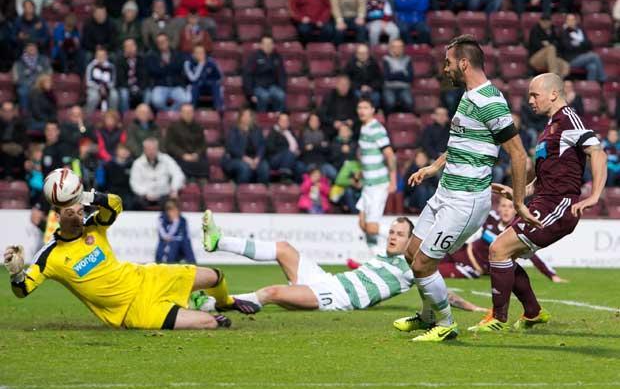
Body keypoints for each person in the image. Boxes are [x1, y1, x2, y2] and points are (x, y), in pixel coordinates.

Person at [392, 35, 539, 342]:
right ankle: (428, 316)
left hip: (465, 200)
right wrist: (433, 167)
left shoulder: (489, 101)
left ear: (463, 63)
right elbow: (461, 142)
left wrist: (521, 201)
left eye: (448, 63)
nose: (445, 69)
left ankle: (446, 325)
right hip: (444, 191)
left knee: (423, 263)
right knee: (411, 253)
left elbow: (518, 153)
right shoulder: (468, 96)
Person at [468, 73, 607, 333]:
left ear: (553, 94)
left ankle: (498, 318)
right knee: (504, 256)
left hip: (558, 206)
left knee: (499, 250)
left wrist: (595, 195)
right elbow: (543, 180)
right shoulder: (549, 127)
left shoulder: (569, 119)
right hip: (542, 201)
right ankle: (533, 313)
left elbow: (597, 152)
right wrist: (516, 193)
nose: (530, 100)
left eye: (535, 95)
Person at [2, 191, 258, 331]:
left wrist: (89, 196)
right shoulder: (50, 256)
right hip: (132, 311)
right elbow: (23, 290)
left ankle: (225, 302)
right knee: (209, 324)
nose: (79, 217)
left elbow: (115, 205)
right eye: (71, 213)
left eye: (81, 211)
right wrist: (15, 273)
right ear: (57, 216)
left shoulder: (94, 226)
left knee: (215, 276)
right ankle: (207, 311)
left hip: (146, 277)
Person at [199, 213, 485, 313]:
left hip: (336, 297)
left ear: (411, 240)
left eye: (400, 234)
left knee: (272, 293)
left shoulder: (412, 267)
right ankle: (219, 242)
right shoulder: (385, 257)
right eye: (392, 233)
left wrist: (472, 307)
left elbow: (442, 293)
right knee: (284, 248)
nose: (393, 238)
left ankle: (212, 304)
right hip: (328, 280)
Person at [440, 197, 566, 282]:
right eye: (503, 206)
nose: (506, 209)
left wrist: (552, 276)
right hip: (461, 251)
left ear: (516, 210)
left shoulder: (518, 232)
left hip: (471, 267)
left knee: (433, 272)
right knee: (425, 261)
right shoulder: (491, 218)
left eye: (510, 206)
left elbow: (533, 256)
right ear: (498, 208)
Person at [356, 98, 396, 254]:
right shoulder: (364, 128)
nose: (361, 110)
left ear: (373, 110)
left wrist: (393, 180)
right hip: (368, 184)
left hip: (378, 184)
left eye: (365, 107)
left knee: (372, 227)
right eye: (359, 107)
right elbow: (367, 155)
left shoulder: (376, 128)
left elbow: (390, 155)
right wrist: (361, 173)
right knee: (362, 224)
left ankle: (406, 237)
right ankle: (376, 259)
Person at [130, 137, 186, 209]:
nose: (151, 151)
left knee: (172, 202)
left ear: (157, 148)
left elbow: (178, 174)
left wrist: (174, 189)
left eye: (153, 148)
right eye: (149, 149)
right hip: (145, 196)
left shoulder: (166, 159)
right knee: (135, 202)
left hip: (164, 195)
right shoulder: (137, 163)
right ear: (144, 149)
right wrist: (145, 193)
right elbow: (134, 183)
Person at [221, 108, 269, 184]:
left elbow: (262, 145)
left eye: (248, 116)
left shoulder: (257, 130)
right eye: (244, 115)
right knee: (245, 167)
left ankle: (260, 191)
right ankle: (241, 190)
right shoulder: (234, 130)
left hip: (254, 159)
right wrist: (245, 158)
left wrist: (258, 158)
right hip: (235, 158)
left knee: (264, 167)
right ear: (240, 117)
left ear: (251, 118)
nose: (246, 118)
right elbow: (231, 147)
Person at [146, 33, 190, 112]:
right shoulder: (152, 55)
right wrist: (169, 66)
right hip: (160, 85)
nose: (161, 43)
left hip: (176, 85)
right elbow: (154, 71)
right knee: (156, 101)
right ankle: (168, 113)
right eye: (159, 42)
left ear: (168, 41)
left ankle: (170, 113)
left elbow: (179, 67)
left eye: (163, 41)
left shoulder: (177, 54)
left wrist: (163, 66)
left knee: (185, 100)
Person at [164, 103, 209, 180]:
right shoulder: (173, 127)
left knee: (204, 165)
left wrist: (196, 154)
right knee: (178, 166)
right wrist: (183, 155)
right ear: (181, 113)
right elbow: (169, 145)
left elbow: (203, 144)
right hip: (179, 157)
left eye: (190, 112)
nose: (188, 114)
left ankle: (202, 186)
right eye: (186, 112)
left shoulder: (199, 127)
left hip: (196, 157)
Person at [242, 35, 287, 113]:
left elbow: (282, 74)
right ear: (261, 45)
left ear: (273, 45)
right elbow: (247, 75)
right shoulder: (254, 57)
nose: (268, 46)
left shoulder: (277, 57)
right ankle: (261, 117)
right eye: (265, 44)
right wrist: (250, 93)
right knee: (264, 96)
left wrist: (282, 88)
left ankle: (278, 116)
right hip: (258, 87)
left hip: (272, 86)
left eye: (270, 44)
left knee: (281, 95)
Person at [559, 13, 606, 83]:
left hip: (584, 57)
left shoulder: (580, 31)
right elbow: (568, 47)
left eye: (572, 19)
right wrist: (582, 44)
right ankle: (602, 80)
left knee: (592, 67)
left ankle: (590, 88)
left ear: (575, 21)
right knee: (594, 56)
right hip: (571, 59)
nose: (571, 21)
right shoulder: (564, 33)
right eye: (569, 20)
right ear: (566, 21)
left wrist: (578, 44)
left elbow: (589, 44)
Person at [265, 112, 303, 183]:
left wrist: (298, 150)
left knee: (300, 166)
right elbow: (270, 147)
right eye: (282, 120)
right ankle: (284, 177)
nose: (284, 122)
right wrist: (285, 152)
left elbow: (298, 144)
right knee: (289, 153)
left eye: (286, 120)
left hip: (292, 158)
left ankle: (297, 187)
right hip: (276, 159)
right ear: (278, 122)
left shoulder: (290, 132)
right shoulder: (274, 132)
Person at [318, 73, 358, 140]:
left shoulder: (354, 97)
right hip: (333, 127)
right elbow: (322, 114)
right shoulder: (329, 97)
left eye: (346, 85)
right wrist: (333, 122)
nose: (344, 87)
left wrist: (352, 121)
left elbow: (359, 114)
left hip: (350, 127)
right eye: (342, 85)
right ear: (337, 85)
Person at [12, 41, 51, 109]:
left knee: (42, 92)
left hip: (40, 85)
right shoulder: (19, 63)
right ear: (25, 50)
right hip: (26, 85)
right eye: (29, 47)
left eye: (34, 47)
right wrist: (29, 83)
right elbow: (16, 79)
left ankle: (40, 114)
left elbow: (49, 73)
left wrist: (39, 82)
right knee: (22, 91)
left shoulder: (44, 60)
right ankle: (25, 113)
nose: (32, 48)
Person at [156, 199, 196, 264]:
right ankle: (169, 261)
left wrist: (176, 221)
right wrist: (169, 237)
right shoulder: (162, 219)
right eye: (171, 210)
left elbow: (185, 234)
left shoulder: (182, 220)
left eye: (175, 210)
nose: (174, 212)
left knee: (185, 243)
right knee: (174, 244)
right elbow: (163, 234)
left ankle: (192, 263)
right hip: (169, 241)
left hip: (180, 241)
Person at [183, 45, 223, 110]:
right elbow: (193, 79)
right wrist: (201, 64)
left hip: (209, 85)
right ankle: (192, 108)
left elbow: (219, 76)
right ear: (193, 54)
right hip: (194, 85)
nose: (200, 55)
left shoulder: (211, 61)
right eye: (197, 53)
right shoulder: (188, 63)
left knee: (216, 85)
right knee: (195, 86)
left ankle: (219, 109)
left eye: (202, 53)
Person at [345, 43, 383, 108]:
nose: (362, 55)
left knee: (376, 97)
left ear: (368, 54)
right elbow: (348, 80)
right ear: (356, 54)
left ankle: (373, 113)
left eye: (364, 53)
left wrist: (371, 87)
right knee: (356, 96)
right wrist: (360, 87)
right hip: (357, 89)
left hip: (371, 89)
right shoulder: (351, 64)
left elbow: (379, 79)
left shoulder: (374, 63)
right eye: (360, 53)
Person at [382, 38, 414, 114]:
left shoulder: (407, 59)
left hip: (404, 87)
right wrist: (402, 74)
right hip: (389, 87)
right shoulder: (386, 59)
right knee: (390, 103)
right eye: (395, 47)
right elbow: (387, 76)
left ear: (403, 48)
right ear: (391, 48)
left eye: (400, 47)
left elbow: (410, 77)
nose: (397, 49)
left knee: (409, 102)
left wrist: (394, 74)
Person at [116, 38, 148, 113]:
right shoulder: (120, 61)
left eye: (132, 46)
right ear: (124, 49)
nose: (130, 48)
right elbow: (120, 79)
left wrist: (138, 88)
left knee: (148, 93)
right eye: (127, 46)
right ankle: (126, 117)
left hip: (139, 86)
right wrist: (131, 88)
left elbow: (144, 77)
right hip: (126, 87)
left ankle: (144, 116)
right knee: (124, 94)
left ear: (136, 47)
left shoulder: (142, 59)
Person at [101, 144, 135, 209]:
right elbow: (103, 182)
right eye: (122, 149)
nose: (124, 152)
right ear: (117, 151)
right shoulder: (108, 165)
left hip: (127, 193)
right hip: (111, 192)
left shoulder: (133, 164)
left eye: (127, 150)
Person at [85, 48, 119, 112]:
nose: (101, 57)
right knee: (93, 97)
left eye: (103, 55)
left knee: (114, 96)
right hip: (94, 88)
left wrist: (106, 88)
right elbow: (88, 82)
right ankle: (88, 117)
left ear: (106, 56)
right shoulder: (91, 66)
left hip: (108, 88)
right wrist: (99, 88)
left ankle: (112, 116)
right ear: (96, 56)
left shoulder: (111, 67)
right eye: (99, 55)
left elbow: (113, 81)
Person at [0, 101, 27, 180]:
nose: (7, 113)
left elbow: (25, 141)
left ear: (13, 112)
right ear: (1, 112)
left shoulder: (20, 124)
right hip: (1, 153)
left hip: (17, 153)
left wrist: (18, 147)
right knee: (7, 154)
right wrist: (3, 147)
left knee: (22, 158)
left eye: (9, 111)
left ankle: (22, 182)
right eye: (5, 111)